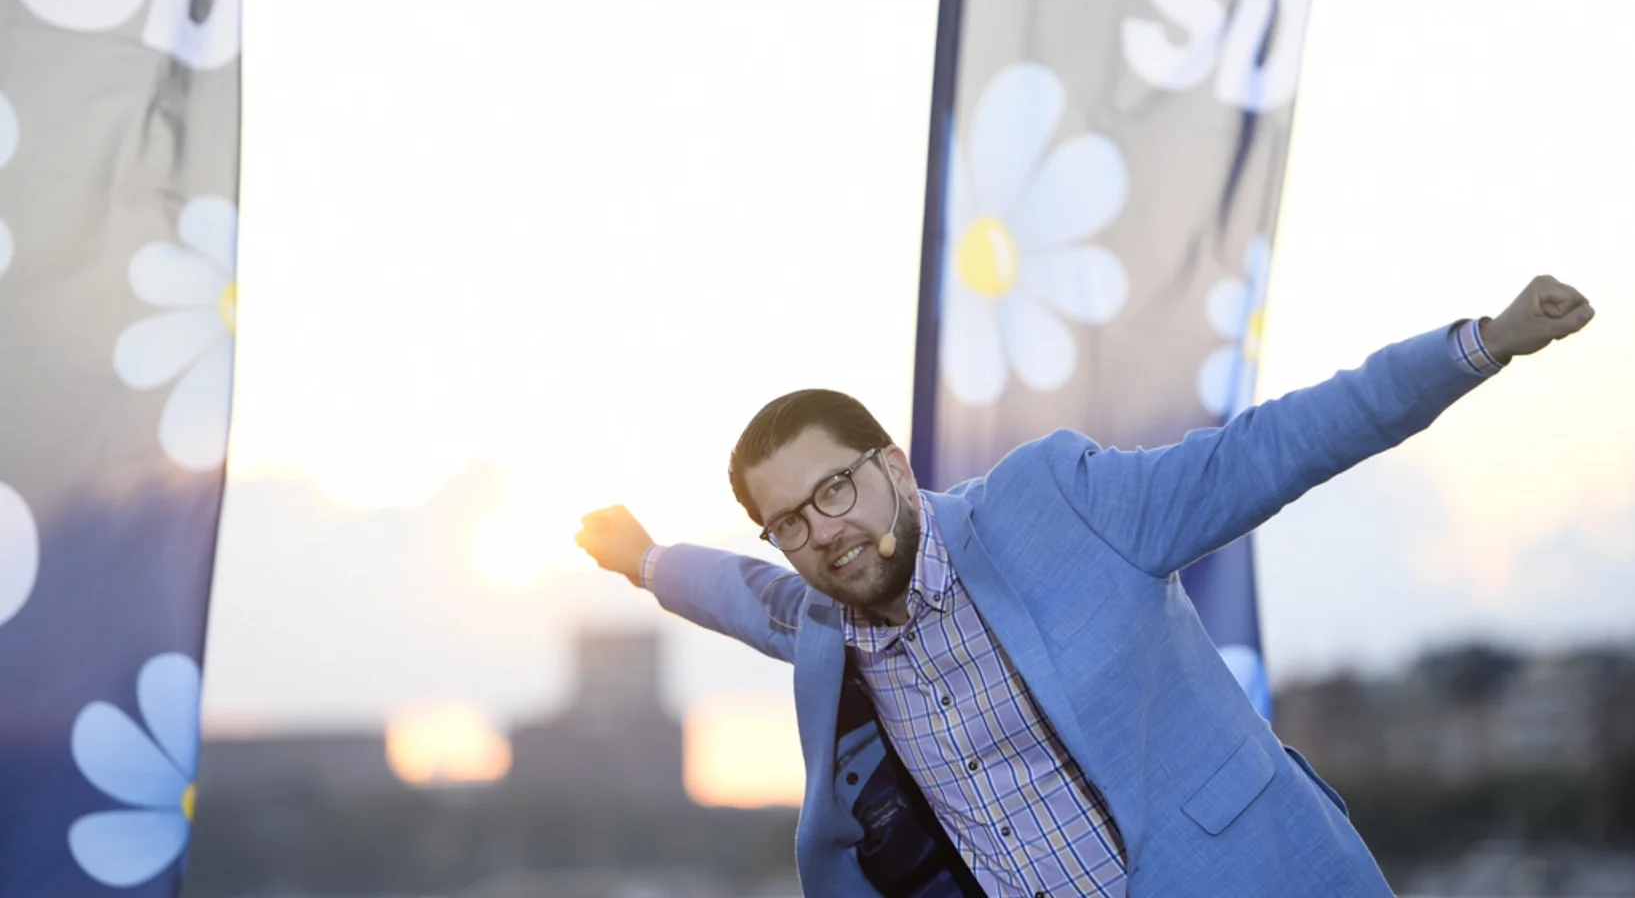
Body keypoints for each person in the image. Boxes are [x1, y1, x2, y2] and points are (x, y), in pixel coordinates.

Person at [575, 276, 1595, 897]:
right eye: (787, 520)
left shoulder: (1056, 506)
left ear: (890, 461)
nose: (819, 531)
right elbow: (736, 591)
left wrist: (1481, 345)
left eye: (833, 489)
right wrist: (645, 558)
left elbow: (1270, 449)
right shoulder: (821, 623)